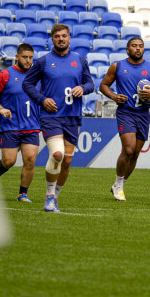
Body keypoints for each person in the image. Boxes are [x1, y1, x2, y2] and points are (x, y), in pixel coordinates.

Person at [22, 23, 94, 213]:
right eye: (57, 36)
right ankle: (49, 197)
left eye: (64, 36)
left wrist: (83, 88)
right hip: (51, 116)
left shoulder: (80, 60)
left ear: (69, 38)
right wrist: (42, 100)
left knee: (67, 161)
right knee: (57, 154)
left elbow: (90, 83)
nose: (60, 39)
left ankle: (55, 196)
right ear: (52, 39)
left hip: (73, 117)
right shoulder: (43, 61)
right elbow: (27, 84)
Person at [99, 37, 150, 201]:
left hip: (143, 114)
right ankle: (119, 185)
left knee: (135, 153)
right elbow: (103, 85)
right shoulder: (118, 66)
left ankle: (119, 185)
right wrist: (114, 96)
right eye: (134, 46)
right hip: (126, 112)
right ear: (127, 49)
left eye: (141, 46)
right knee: (128, 149)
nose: (138, 49)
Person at [0, 44, 40, 202]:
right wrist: (0, 108)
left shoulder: (37, 76)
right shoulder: (5, 74)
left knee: (30, 159)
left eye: (30, 57)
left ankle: (23, 193)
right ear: (17, 57)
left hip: (32, 126)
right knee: (9, 161)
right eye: (25, 57)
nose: (28, 60)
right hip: (10, 125)